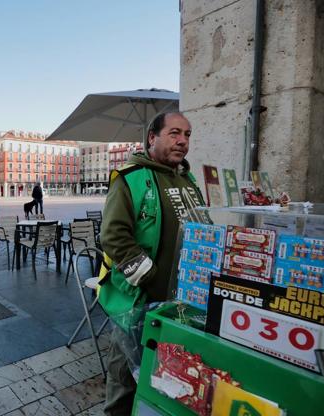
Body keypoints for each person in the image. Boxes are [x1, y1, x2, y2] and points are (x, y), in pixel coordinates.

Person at [99, 112, 206, 416]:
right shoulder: (130, 178)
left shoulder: (189, 180)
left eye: (187, 134)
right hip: (136, 302)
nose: (182, 141)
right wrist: (153, 279)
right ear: (152, 138)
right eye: (174, 133)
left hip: (180, 305)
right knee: (124, 383)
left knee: (168, 381)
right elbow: (114, 237)